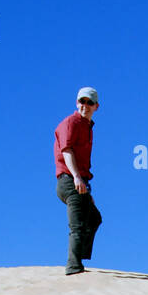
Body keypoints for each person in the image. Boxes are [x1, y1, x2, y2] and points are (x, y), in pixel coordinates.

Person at [54, 87, 103, 275]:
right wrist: (75, 177)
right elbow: (67, 150)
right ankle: (74, 267)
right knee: (78, 224)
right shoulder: (71, 123)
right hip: (68, 180)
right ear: (77, 103)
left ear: (96, 106)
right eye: (82, 102)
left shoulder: (88, 128)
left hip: (79, 181)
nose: (85, 106)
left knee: (94, 218)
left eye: (90, 102)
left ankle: (80, 259)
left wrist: (86, 189)